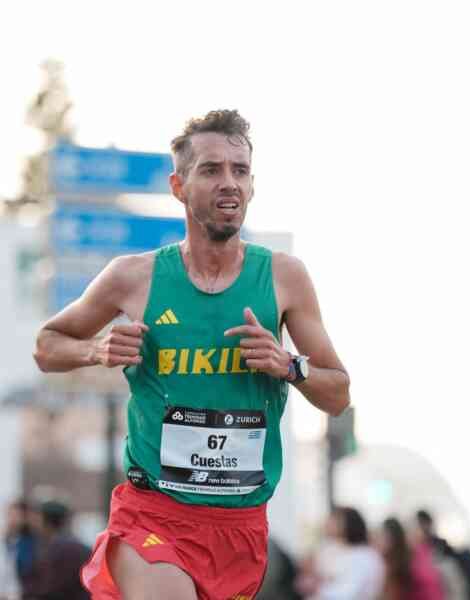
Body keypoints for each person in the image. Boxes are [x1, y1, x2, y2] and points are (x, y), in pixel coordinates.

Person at [34, 109, 350, 600]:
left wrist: (288, 365)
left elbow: (338, 392)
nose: (230, 183)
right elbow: (47, 346)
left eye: (239, 171)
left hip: (240, 524)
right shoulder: (134, 276)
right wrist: (96, 349)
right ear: (178, 186)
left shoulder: (285, 278)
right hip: (153, 514)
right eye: (211, 169)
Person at [298, 507, 384, 600]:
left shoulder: (365, 556)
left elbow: (346, 593)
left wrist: (316, 587)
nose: (328, 522)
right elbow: (314, 574)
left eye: (335, 519)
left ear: (349, 523)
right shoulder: (329, 547)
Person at [22, 499, 90, 600]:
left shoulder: (62, 549)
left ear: (46, 521)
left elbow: (50, 589)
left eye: (37, 519)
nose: (33, 524)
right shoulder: (76, 545)